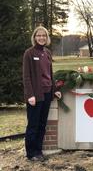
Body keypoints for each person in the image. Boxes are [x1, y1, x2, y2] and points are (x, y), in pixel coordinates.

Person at [23, 26, 61, 161]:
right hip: (35, 95)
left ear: (47, 38)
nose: (41, 38)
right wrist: (30, 95)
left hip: (47, 94)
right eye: (38, 35)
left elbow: (50, 74)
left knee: (42, 124)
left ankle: (38, 151)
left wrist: (55, 90)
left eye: (44, 36)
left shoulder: (47, 53)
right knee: (33, 125)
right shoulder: (29, 53)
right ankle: (30, 153)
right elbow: (26, 77)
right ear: (34, 37)